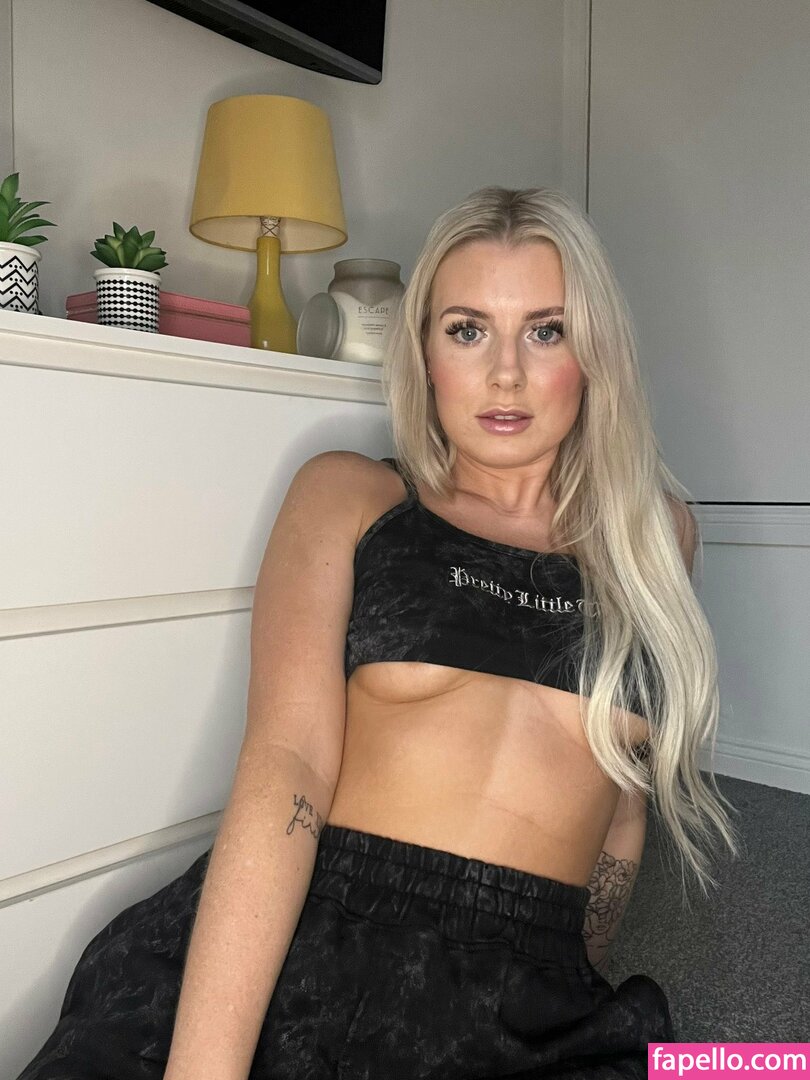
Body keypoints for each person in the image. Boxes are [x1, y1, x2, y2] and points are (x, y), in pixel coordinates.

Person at [18, 186, 741, 1080]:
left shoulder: (656, 536)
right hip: (322, 937)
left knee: (761, 1068)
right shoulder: (353, 496)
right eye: (467, 330)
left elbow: (621, 798)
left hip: (531, 985)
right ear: (424, 352)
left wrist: (572, 969)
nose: (505, 374)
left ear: (594, 355)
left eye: (546, 331)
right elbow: (288, 765)